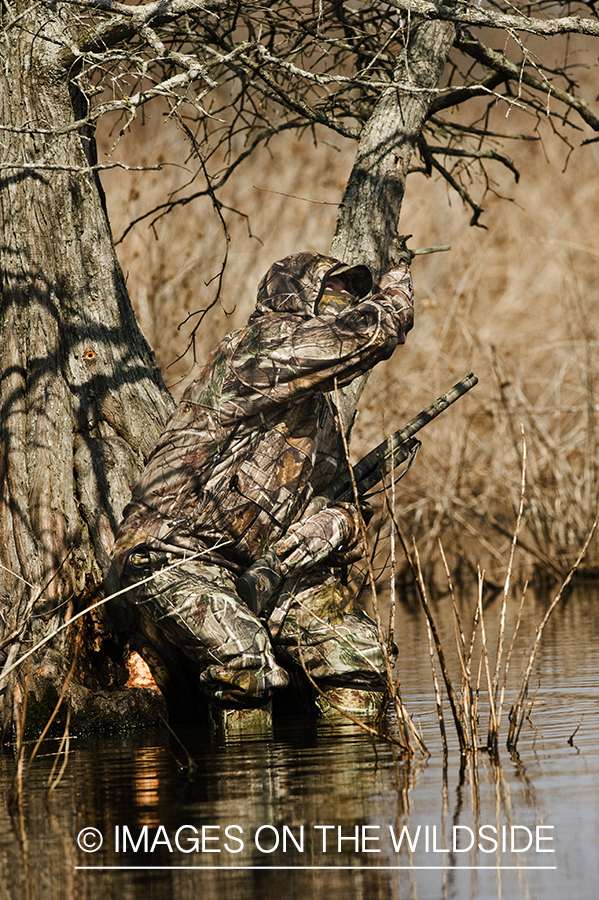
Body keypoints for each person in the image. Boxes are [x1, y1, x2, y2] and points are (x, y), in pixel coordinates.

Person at [111, 251, 414, 712]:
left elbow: (345, 499)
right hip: (172, 553)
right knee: (246, 664)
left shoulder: (321, 412)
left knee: (364, 661)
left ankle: (351, 756)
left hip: (267, 569)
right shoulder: (257, 350)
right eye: (333, 289)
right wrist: (396, 290)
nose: (345, 300)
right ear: (297, 296)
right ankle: (240, 760)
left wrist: (336, 524)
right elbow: (365, 335)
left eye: (353, 294)